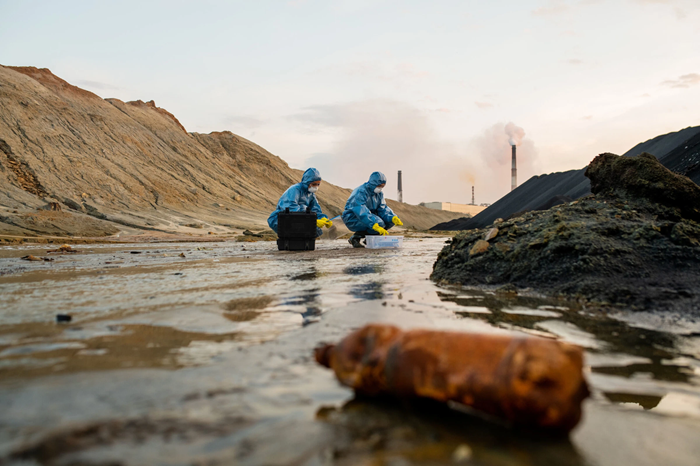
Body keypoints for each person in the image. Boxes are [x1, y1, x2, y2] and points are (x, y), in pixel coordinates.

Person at [342, 171, 403, 248]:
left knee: (389, 222)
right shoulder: (360, 192)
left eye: (382, 186)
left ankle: (369, 239)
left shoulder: (379, 194)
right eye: (379, 186)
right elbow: (360, 210)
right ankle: (355, 237)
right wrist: (373, 223)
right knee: (379, 223)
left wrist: (392, 217)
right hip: (353, 218)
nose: (380, 188)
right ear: (373, 183)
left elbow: (382, 209)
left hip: (368, 217)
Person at [268, 168, 333, 237]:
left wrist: (322, 218)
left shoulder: (311, 195)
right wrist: (312, 220)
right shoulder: (295, 190)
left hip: (299, 221)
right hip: (283, 219)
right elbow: (290, 209)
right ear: (308, 182)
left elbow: (315, 210)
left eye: (318, 184)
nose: (316, 187)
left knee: (314, 230)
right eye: (314, 184)